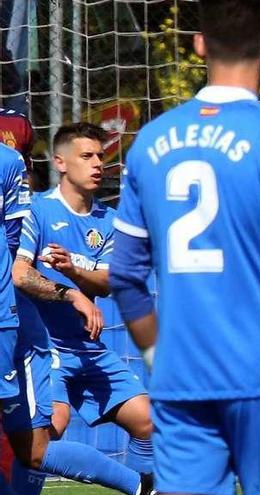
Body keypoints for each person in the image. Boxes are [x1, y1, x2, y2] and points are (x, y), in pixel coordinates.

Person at [109, 1, 260, 494]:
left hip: (182, 380)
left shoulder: (150, 142)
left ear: (199, 45)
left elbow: (125, 277)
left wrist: (159, 357)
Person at [0, 141, 151, 495]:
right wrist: (72, 291)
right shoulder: (37, 210)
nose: (98, 163)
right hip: (46, 344)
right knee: (46, 433)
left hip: (88, 346)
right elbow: (19, 272)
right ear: (60, 162)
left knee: (148, 421)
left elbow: (110, 282)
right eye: (87, 156)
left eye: (101, 155)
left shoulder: (109, 221)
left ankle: (149, 487)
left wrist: (76, 277)